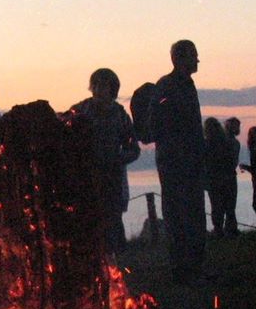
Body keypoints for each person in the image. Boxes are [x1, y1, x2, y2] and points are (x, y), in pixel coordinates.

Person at [141, 40, 208, 283]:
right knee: (178, 215)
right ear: (180, 59)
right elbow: (157, 123)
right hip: (174, 162)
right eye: (194, 56)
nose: (198, 60)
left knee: (195, 213)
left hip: (190, 160)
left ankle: (195, 267)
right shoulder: (166, 86)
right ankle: (182, 269)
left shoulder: (188, 85)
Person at [69, 67, 140, 254]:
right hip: (85, 179)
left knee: (112, 225)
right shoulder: (79, 111)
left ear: (112, 89)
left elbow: (133, 148)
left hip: (112, 179)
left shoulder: (120, 116)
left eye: (104, 86)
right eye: (96, 86)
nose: (99, 90)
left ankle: (116, 267)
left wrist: (116, 159)